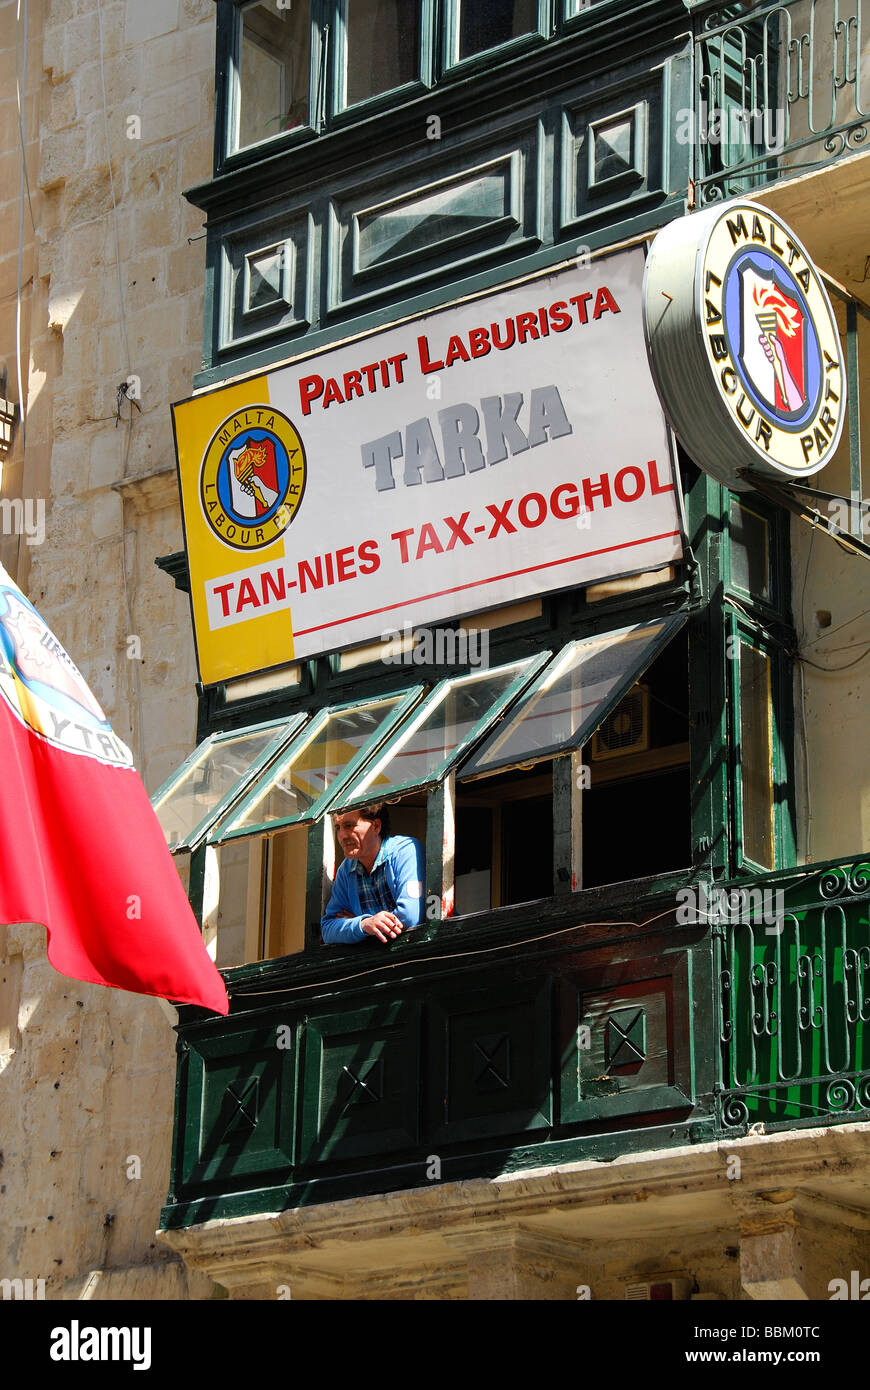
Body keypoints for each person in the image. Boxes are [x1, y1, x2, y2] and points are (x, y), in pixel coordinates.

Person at [321, 803, 425, 945]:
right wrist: (363, 924)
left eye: (349, 825)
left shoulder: (406, 850)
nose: (342, 835)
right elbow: (327, 930)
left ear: (376, 826)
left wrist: (356, 926)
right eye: (338, 827)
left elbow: (410, 916)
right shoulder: (346, 870)